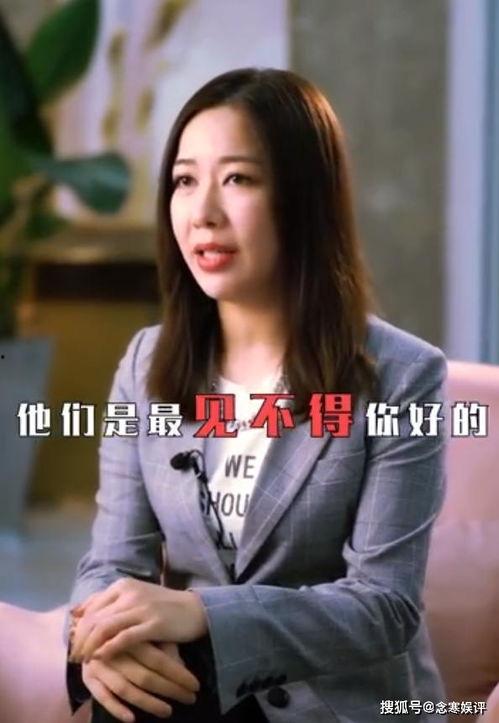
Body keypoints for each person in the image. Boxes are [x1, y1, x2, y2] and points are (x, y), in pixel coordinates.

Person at [65, 67, 448, 722]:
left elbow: (384, 605)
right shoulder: (145, 364)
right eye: (185, 181)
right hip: (194, 699)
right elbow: (110, 563)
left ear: (304, 198)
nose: (203, 213)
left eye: (238, 179)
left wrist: (201, 613)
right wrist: (100, 641)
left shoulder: (402, 376)